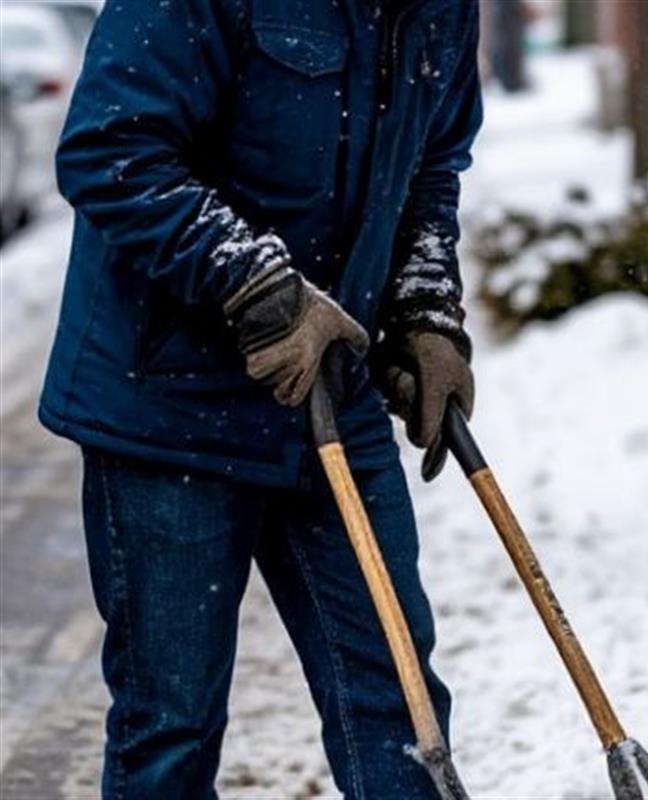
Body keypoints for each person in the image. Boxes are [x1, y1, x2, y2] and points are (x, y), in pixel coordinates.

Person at [38, 0, 482, 797]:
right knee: (169, 729)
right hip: (167, 414)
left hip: (331, 399)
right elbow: (113, 152)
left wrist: (423, 309)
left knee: (402, 708)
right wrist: (257, 284)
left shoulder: (443, 8)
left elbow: (432, 164)